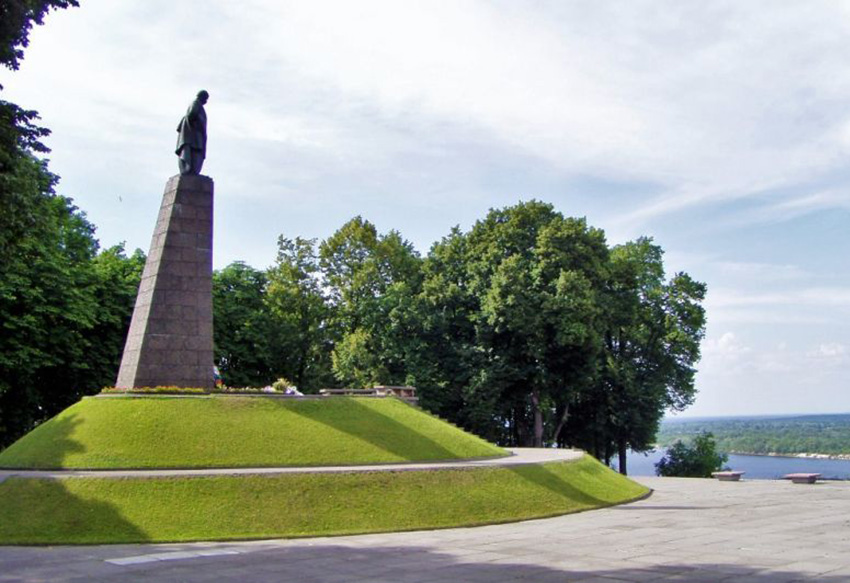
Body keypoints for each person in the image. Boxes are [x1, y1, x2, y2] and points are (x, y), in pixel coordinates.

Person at [175, 90, 209, 175]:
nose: (206, 101)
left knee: (194, 153)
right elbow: (192, 114)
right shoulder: (196, 104)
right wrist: (200, 122)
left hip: (194, 135)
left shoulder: (197, 104)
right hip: (193, 135)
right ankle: (189, 170)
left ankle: (191, 171)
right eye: (206, 99)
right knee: (192, 153)